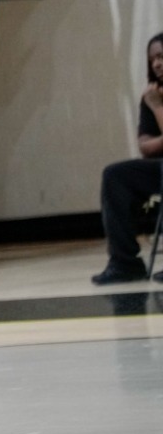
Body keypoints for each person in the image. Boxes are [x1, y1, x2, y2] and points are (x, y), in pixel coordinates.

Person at [92, 34, 163, 285]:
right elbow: (145, 146)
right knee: (115, 175)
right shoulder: (153, 95)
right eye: (152, 58)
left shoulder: (154, 101)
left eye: (161, 56)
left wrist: (158, 109)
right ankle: (125, 263)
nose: (156, 64)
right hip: (160, 168)